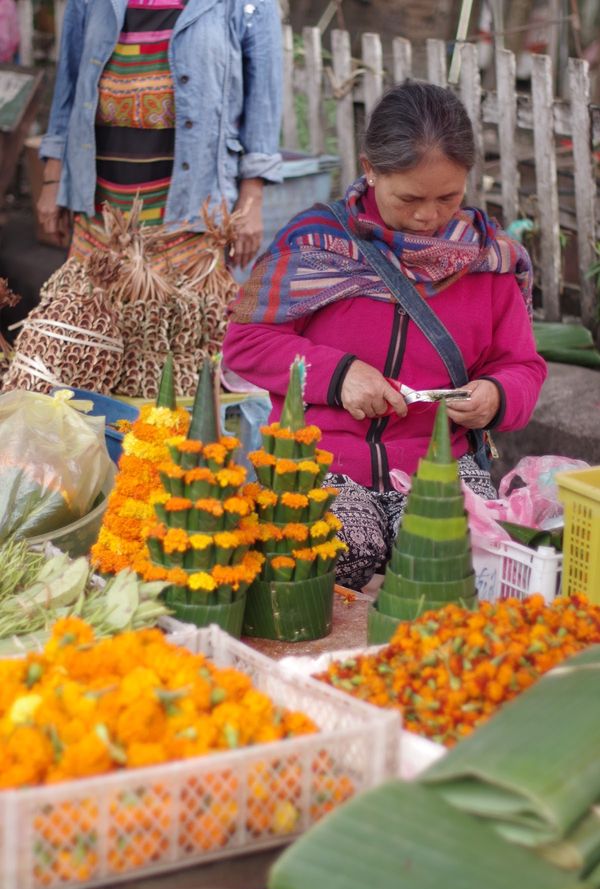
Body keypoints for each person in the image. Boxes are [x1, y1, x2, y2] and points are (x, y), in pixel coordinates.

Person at [222, 81, 547, 591]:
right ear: (370, 168)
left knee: (464, 559)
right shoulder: (316, 245)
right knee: (332, 552)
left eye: (448, 197)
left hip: (440, 463)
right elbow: (246, 344)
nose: (428, 216)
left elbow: (522, 366)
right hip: (324, 460)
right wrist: (339, 376)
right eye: (409, 197)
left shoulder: (487, 261)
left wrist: (496, 394)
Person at [37, 0, 282, 271]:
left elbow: (263, 103)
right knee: (93, 297)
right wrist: (52, 180)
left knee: (185, 298)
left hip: (191, 217)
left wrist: (251, 202)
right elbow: (68, 84)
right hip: (99, 215)